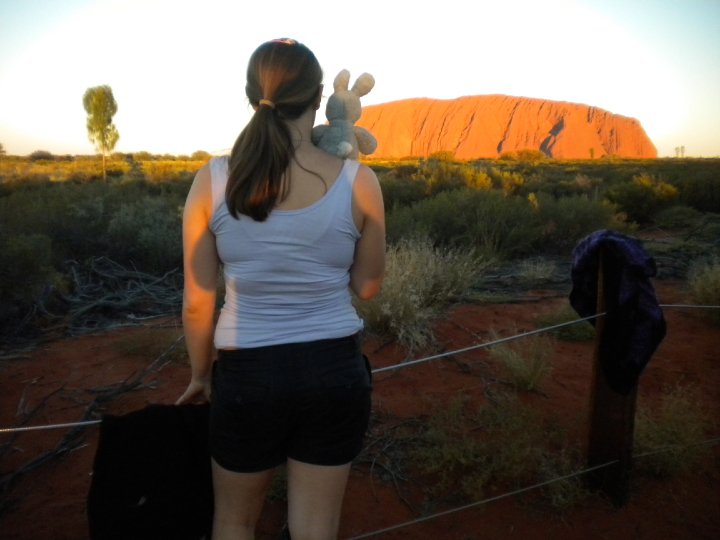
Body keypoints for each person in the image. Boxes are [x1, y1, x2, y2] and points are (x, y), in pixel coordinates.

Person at [176, 37, 386, 540]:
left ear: (251, 97)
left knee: (232, 522)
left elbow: (198, 302)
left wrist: (203, 376)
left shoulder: (212, 181)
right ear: (319, 101)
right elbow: (368, 287)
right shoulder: (360, 181)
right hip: (333, 372)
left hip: (247, 375)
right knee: (316, 528)